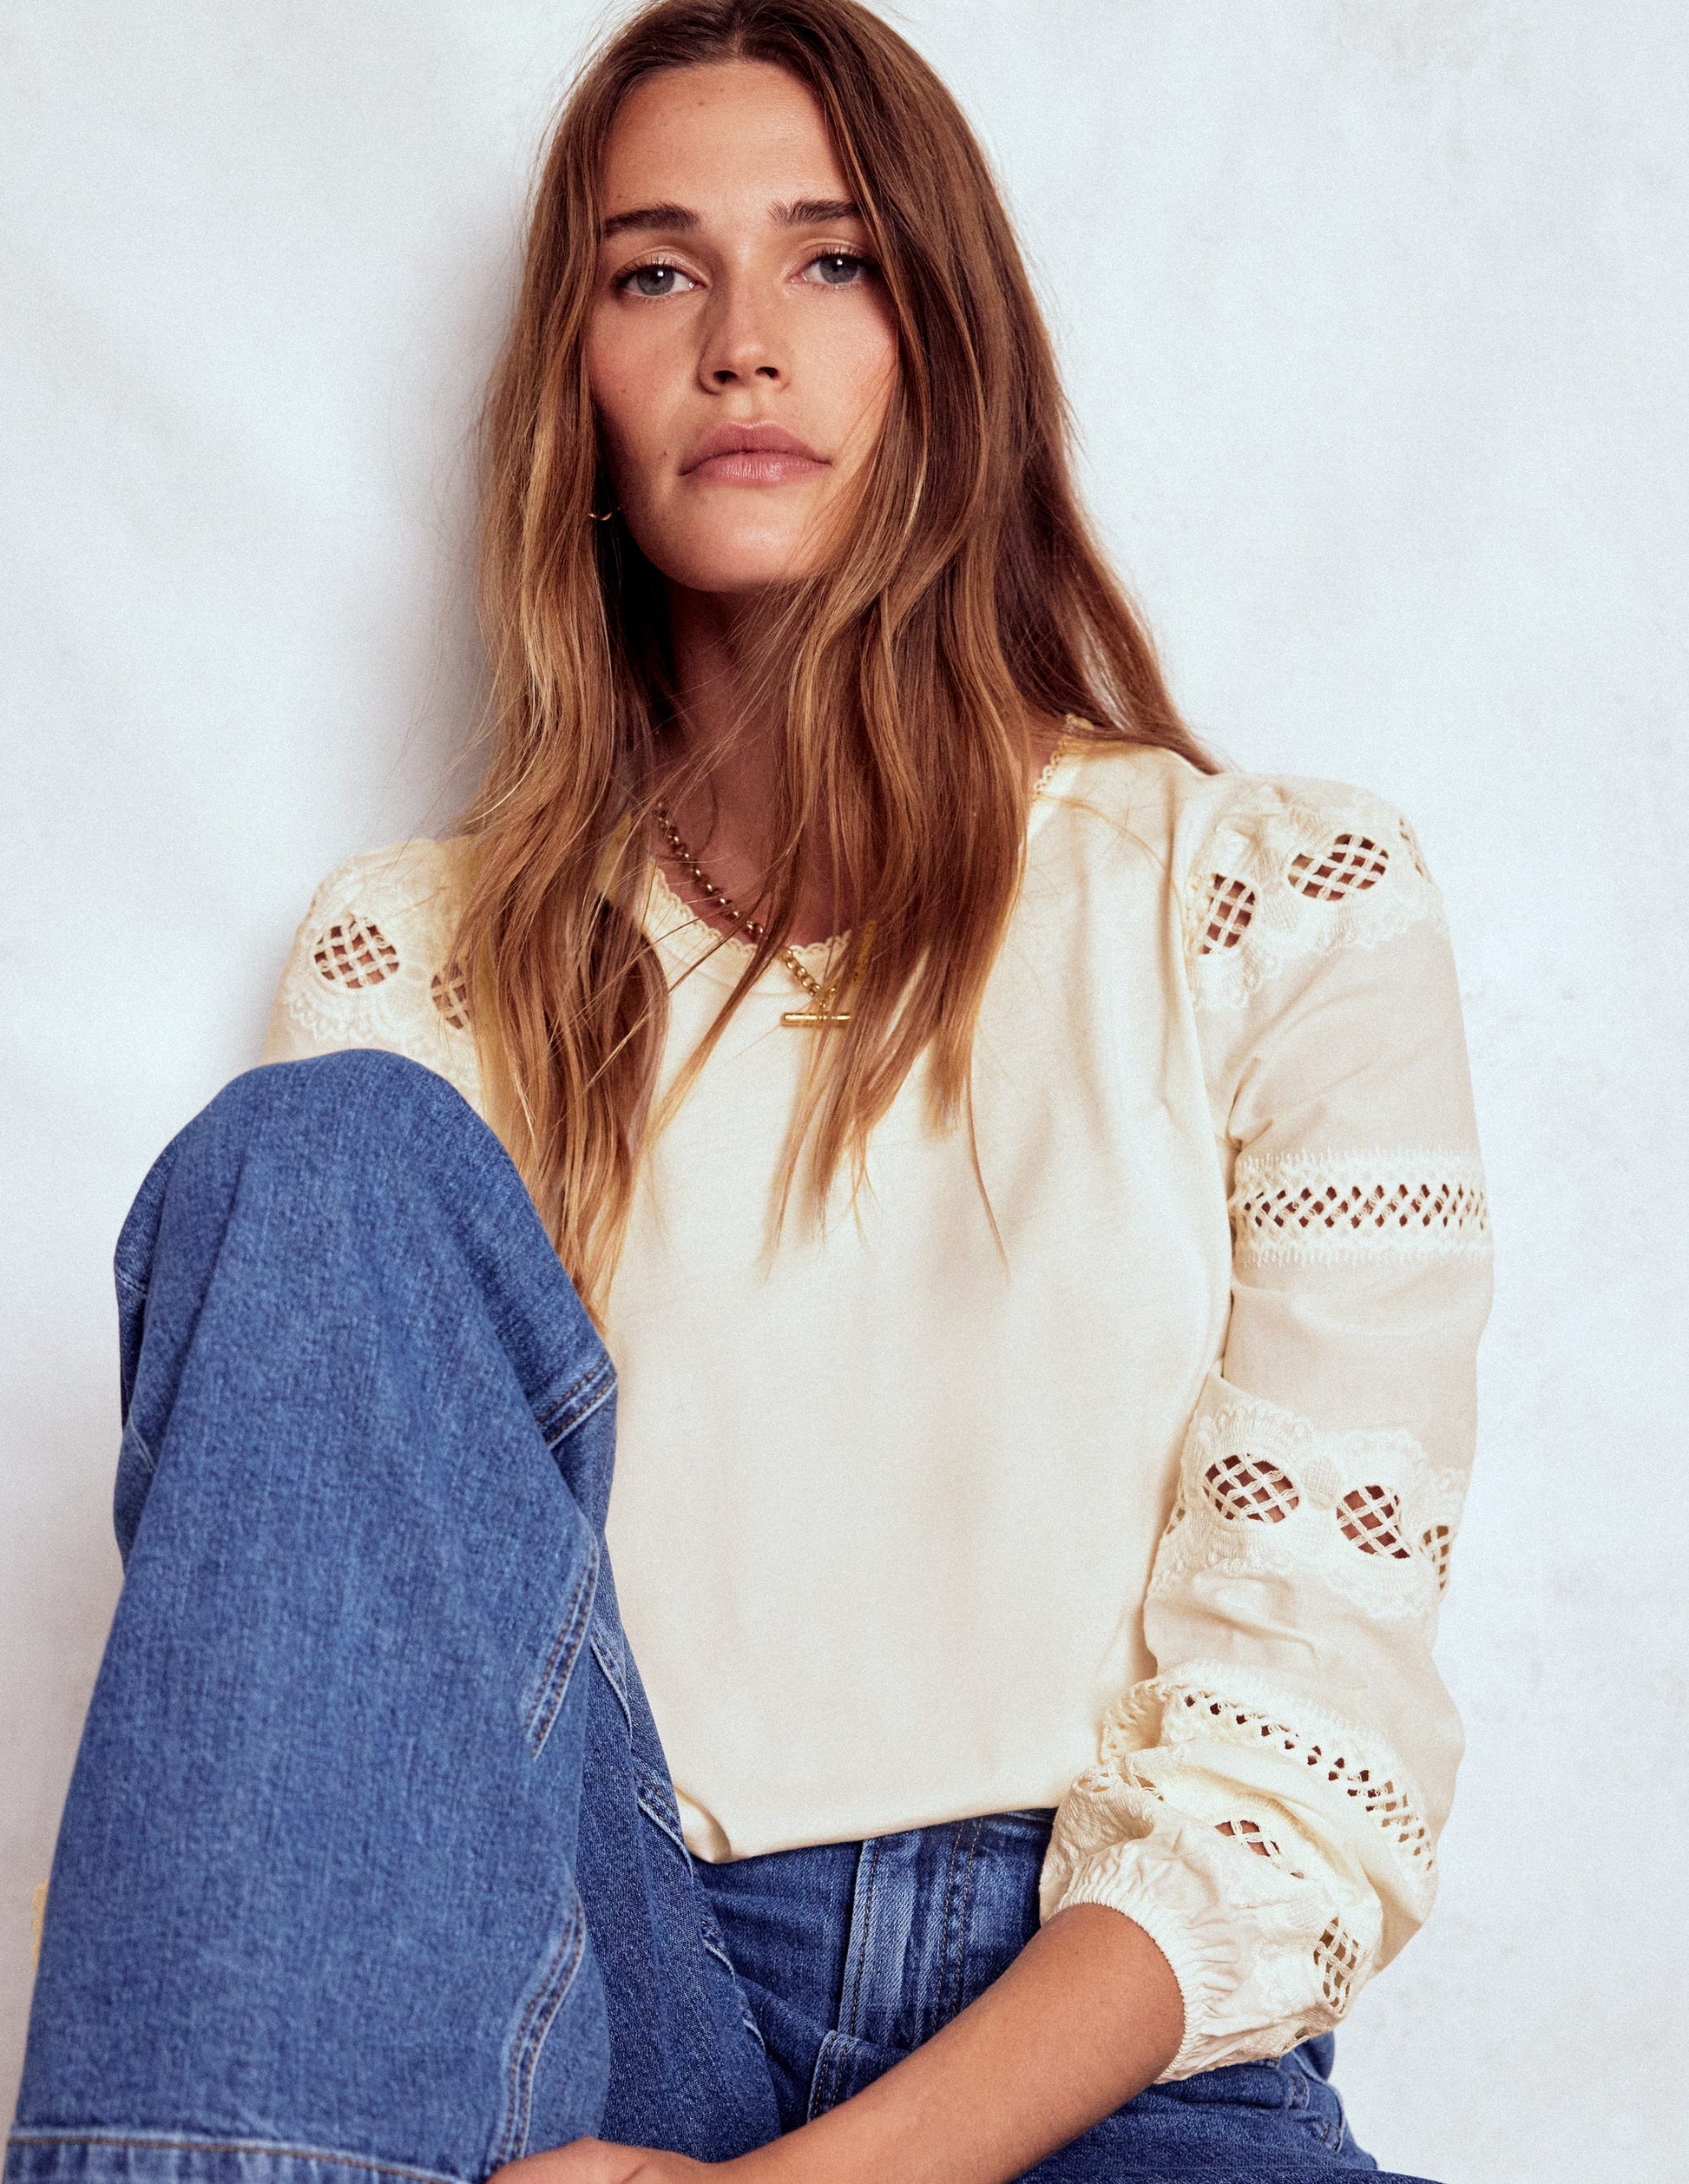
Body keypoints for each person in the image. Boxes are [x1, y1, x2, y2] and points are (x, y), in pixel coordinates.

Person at [7, 3, 1490, 2181]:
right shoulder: (416, 965)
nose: (741, 344)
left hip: (1099, 2054)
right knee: (316, 1163)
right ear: (578, 392)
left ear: (948, 346)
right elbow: (323, 1685)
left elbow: (1300, 1751)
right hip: (580, 1980)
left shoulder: (1269, 902)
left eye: (833, 259)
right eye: (653, 271)